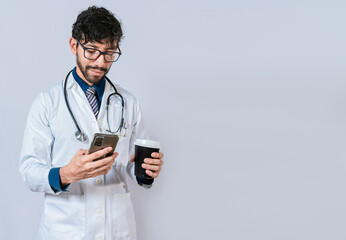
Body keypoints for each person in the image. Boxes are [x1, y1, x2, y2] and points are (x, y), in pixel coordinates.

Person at [19, 6, 164, 240]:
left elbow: (132, 164)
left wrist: (146, 171)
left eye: (109, 53)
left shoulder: (128, 102)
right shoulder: (47, 103)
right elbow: (28, 170)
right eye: (92, 51)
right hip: (67, 230)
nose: (100, 62)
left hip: (117, 229)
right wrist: (66, 173)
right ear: (74, 45)